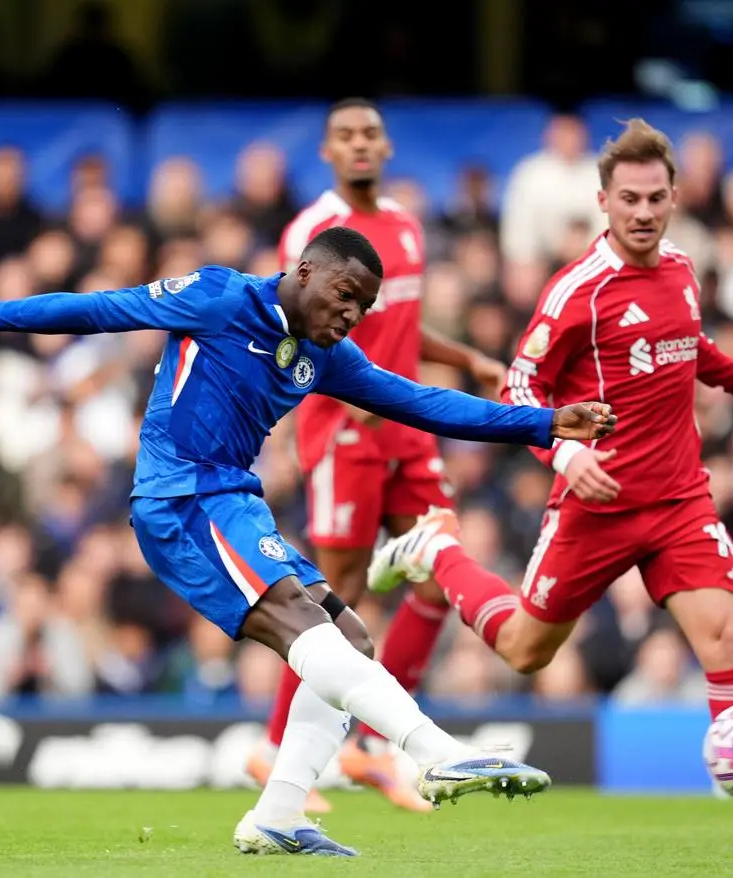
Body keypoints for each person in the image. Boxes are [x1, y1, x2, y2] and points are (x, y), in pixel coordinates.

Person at [0, 226, 616, 857]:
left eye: (363, 307)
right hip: (180, 497)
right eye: (344, 295)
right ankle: (434, 753)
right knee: (306, 626)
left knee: (351, 638)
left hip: (233, 503)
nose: (351, 315)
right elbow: (101, 309)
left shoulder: (326, 355)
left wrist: (543, 422)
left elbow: (421, 402)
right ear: (304, 271)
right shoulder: (219, 297)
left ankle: (278, 816)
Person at [368, 120, 733, 848]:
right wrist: (562, 456)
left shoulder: (681, 268)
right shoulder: (577, 291)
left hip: (678, 498)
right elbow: (520, 386)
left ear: (674, 198)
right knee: (525, 649)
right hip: (597, 502)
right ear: (603, 202)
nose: (643, 212)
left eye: (655, 198)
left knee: (722, 634)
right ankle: (437, 552)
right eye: (629, 199)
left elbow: (686, 342)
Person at [252, 97, 508, 813]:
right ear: (328, 151)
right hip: (345, 434)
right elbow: (295, 322)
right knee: (336, 599)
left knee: (435, 579)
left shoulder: (406, 226)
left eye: (370, 133)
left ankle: (372, 745)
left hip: (406, 431)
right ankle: (274, 752)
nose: (360, 144)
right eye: (346, 135)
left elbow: (400, 326)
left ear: (387, 146)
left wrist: (469, 359)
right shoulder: (312, 229)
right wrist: (330, 402)